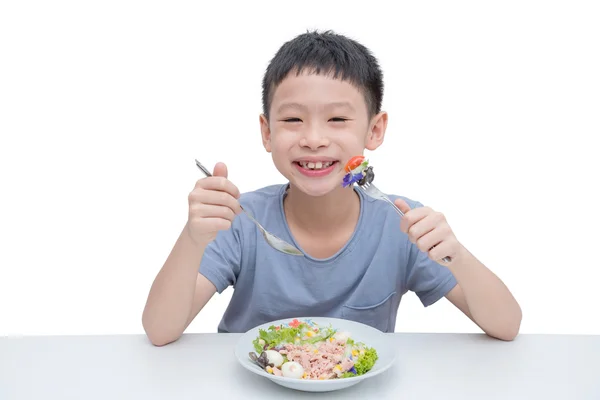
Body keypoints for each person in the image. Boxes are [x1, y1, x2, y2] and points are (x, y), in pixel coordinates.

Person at [142, 30, 522, 346]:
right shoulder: (243, 218)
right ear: (266, 132)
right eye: (292, 119)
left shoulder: (401, 222)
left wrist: (457, 255)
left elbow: (506, 326)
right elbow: (160, 331)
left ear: (374, 130)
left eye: (337, 118)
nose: (313, 138)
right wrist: (193, 237)